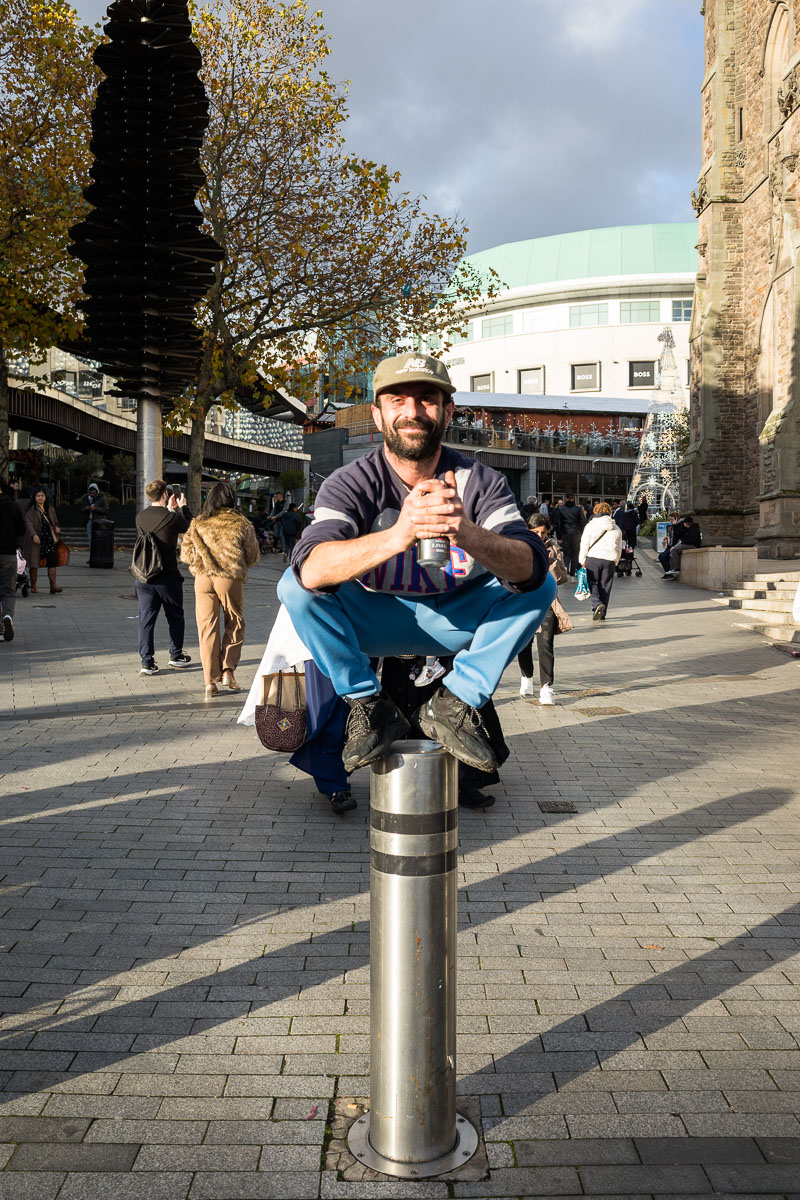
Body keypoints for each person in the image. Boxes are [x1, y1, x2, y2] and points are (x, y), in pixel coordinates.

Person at [277, 351, 555, 775]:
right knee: (294, 585)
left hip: (453, 619)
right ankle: (368, 703)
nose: (413, 411)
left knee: (541, 583)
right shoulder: (350, 482)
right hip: (373, 619)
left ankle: (457, 701)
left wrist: (465, 531)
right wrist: (399, 534)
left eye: (427, 399)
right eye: (397, 400)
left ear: (448, 411)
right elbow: (310, 568)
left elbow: (531, 564)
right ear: (377, 415)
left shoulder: (481, 481)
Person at [179, 481, 260, 699]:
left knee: (207, 628)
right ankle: (227, 671)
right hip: (229, 577)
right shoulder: (241, 523)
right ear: (232, 499)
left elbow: (185, 554)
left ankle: (209, 682)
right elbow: (253, 556)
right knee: (234, 622)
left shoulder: (198, 523)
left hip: (202, 578)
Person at [134, 479, 193, 675]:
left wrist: (170, 510)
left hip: (144, 576)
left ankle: (147, 662)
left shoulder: (140, 516)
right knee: (175, 617)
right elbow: (190, 527)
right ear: (165, 495)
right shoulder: (171, 518)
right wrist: (181, 508)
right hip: (167, 576)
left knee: (146, 620)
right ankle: (176, 656)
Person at [518, 515, 569, 705]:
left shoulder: (553, 548)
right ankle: (527, 676)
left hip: (547, 601)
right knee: (524, 643)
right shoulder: (520, 546)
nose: (539, 536)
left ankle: (546, 687)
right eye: (535, 532)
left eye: (543, 532)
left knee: (546, 644)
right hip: (525, 602)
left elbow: (563, 578)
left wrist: (550, 566)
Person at [579, 501, 622, 622]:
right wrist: (616, 560)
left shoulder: (591, 526)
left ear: (596, 511)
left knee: (592, 583)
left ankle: (597, 603)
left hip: (593, 558)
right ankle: (602, 614)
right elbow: (619, 547)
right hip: (609, 560)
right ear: (609, 512)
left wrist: (582, 560)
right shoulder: (616, 528)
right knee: (606, 586)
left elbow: (584, 544)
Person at [23, 487, 62, 594]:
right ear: (34, 497)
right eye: (38, 496)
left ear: (45, 497)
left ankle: (53, 586)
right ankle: (33, 585)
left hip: (49, 539)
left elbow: (55, 521)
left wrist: (57, 528)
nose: (40, 498)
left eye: (42, 496)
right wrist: (34, 534)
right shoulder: (31, 509)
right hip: (36, 540)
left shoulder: (50, 508)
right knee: (34, 562)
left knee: (52, 562)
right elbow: (29, 523)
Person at [0, 479, 26, 641]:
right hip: (8, 554)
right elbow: (22, 529)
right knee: (8, 591)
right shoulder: (12, 505)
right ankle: (7, 617)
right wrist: (17, 546)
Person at [559, 492, 586, 576]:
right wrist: (581, 532)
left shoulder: (561, 509)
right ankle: (572, 571)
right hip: (576, 533)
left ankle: (565, 570)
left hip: (565, 533)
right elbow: (583, 522)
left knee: (566, 553)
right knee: (575, 553)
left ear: (566, 499)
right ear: (574, 499)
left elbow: (559, 524)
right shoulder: (578, 509)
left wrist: (559, 537)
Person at [81, 482, 108, 548]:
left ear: (96, 491)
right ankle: (92, 550)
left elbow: (106, 510)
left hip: (98, 520)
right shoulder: (86, 498)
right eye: (90, 493)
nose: (92, 494)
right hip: (89, 520)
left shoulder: (101, 498)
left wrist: (96, 508)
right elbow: (82, 509)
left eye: (93, 492)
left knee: (98, 537)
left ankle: (99, 550)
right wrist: (87, 508)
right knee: (90, 538)